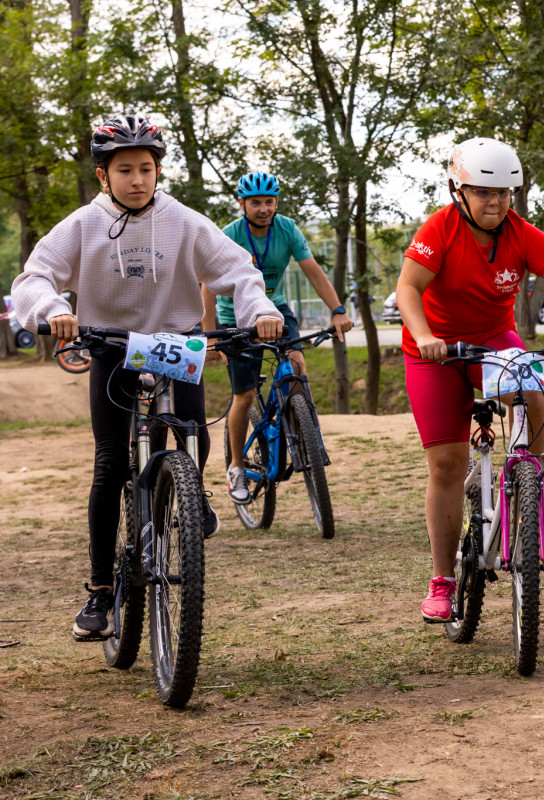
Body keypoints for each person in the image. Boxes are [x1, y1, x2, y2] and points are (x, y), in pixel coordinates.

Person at [11, 114, 283, 640]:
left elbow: (239, 271)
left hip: (175, 343)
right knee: (110, 464)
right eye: (125, 170)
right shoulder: (82, 224)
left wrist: (261, 311)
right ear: (102, 175)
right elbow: (35, 276)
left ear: (158, 172)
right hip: (111, 347)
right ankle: (99, 590)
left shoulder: (183, 221)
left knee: (190, 429)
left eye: (146, 169)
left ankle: (190, 493)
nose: (137, 179)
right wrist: (53, 308)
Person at [397, 137, 544, 623]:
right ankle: (442, 581)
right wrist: (425, 335)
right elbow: (408, 287)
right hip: (434, 351)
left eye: (503, 192)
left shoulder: (520, 233)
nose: (495, 202)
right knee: (447, 464)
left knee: (531, 385)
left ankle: (531, 476)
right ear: (458, 191)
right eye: (483, 192)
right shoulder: (439, 229)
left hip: (493, 339)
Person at [202, 171, 354, 504]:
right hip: (235, 316)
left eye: (269, 202)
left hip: (276, 309)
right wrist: (210, 336)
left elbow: (313, 271)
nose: (264, 209)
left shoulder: (287, 229)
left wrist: (338, 310)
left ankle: (303, 431)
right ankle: (236, 468)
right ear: (242, 204)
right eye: (255, 202)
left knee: (296, 366)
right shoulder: (229, 235)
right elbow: (208, 286)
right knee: (244, 395)